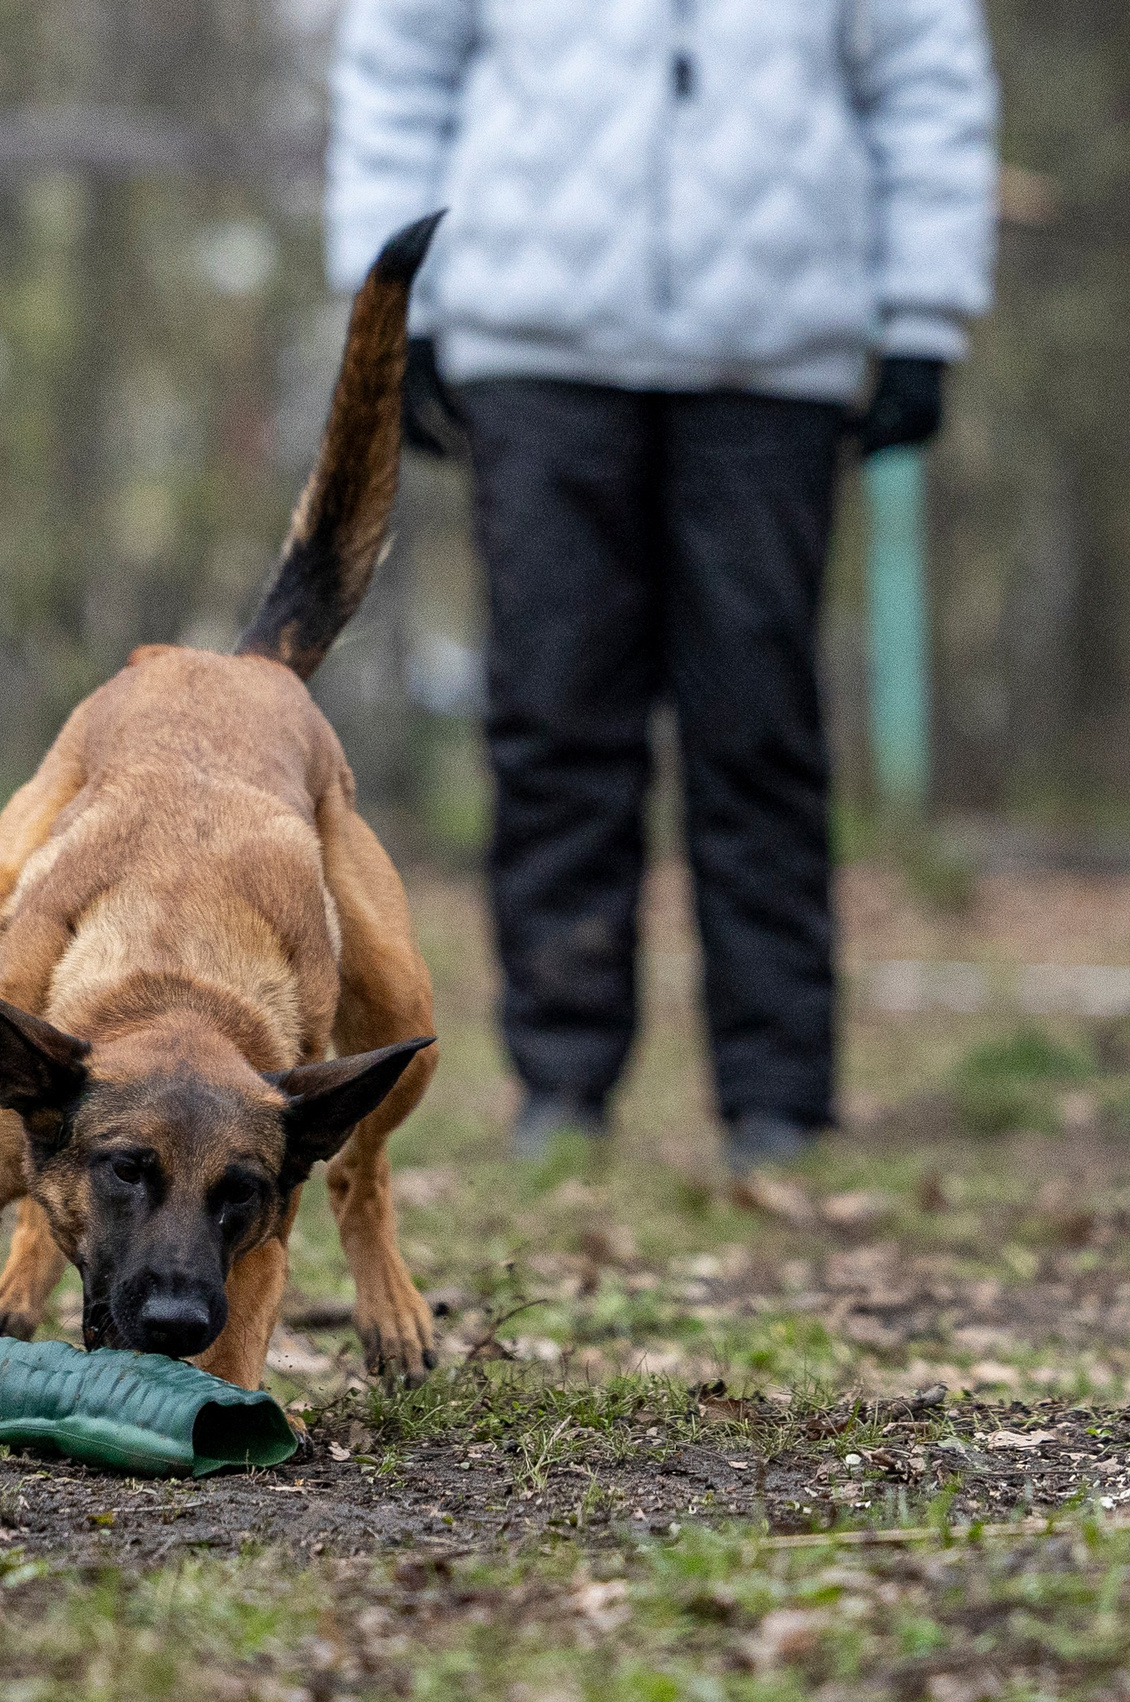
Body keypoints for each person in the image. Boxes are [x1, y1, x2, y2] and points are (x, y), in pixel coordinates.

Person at [327, 0, 997, 1171]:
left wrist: (922, 315)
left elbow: (927, 70)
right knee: (551, 721)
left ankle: (780, 1098)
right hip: (532, 338)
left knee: (759, 732)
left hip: (774, 351)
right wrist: (397, 295)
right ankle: (559, 1087)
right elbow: (399, 59)